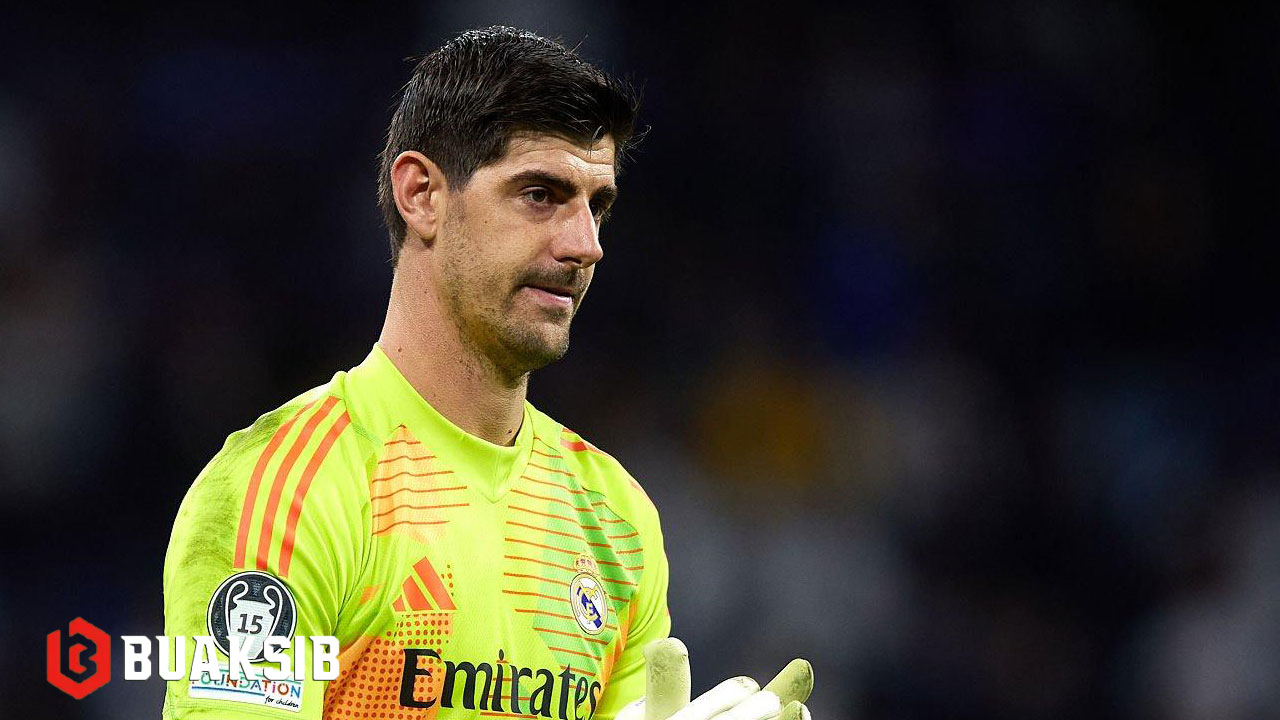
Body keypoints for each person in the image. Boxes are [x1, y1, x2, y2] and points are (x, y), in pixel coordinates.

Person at [162, 26, 812, 720]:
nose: (586, 245)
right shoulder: (284, 492)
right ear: (421, 195)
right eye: (540, 195)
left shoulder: (616, 518)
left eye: (597, 206)